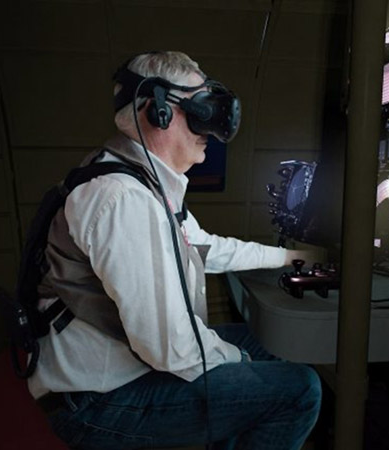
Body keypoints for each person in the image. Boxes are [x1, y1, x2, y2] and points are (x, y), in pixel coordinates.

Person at [28, 51, 321, 449]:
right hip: (96, 405)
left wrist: (287, 258)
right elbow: (171, 350)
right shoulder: (123, 199)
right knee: (300, 391)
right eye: (200, 109)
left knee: (263, 340)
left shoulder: (141, 182)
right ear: (158, 113)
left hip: (122, 371)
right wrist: (240, 362)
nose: (211, 126)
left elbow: (205, 248)